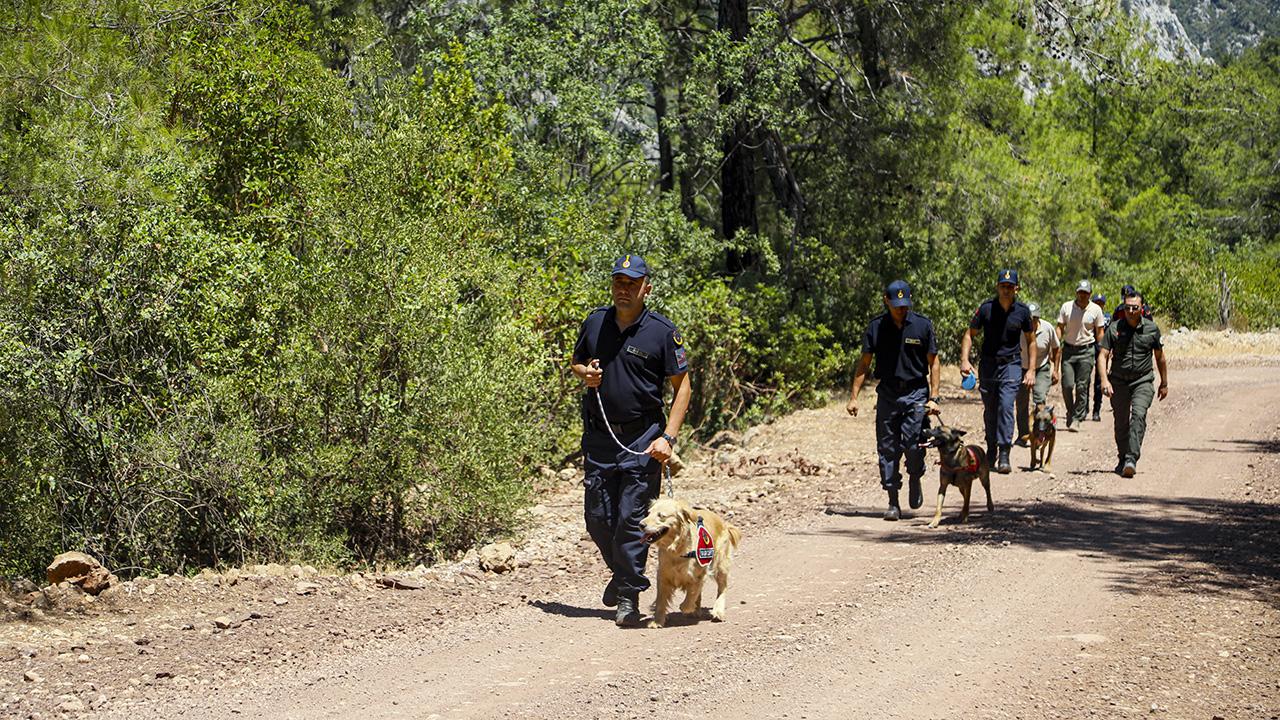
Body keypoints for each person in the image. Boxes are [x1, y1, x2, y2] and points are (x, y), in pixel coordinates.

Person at [570, 254, 691, 626]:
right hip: (600, 437)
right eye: (619, 282)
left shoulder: (662, 332)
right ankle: (623, 574)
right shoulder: (595, 322)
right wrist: (585, 374)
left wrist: (668, 438)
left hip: (644, 439)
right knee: (596, 518)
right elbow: (576, 362)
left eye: (632, 284)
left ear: (646, 288)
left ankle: (628, 596)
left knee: (632, 519)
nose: (624, 289)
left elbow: (683, 387)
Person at [846, 280, 941, 521]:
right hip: (888, 393)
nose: (901, 309)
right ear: (886, 301)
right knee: (887, 449)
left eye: (905, 305)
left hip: (916, 393)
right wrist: (854, 396)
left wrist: (934, 398)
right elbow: (864, 363)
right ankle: (893, 501)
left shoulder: (922, 325)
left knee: (913, 444)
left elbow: (934, 362)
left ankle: (915, 475)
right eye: (897, 305)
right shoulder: (876, 327)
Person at [959, 269, 1036, 475]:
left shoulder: (1022, 311)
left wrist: (1031, 370)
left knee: (1006, 406)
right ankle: (991, 448)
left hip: (1011, 365)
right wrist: (965, 360)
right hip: (988, 365)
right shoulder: (986, 309)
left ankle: (1004, 453)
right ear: (997, 287)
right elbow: (969, 334)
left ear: (1016, 289)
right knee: (991, 409)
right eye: (1003, 286)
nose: (1006, 290)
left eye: (1010, 287)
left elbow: (1031, 341)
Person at [1099, 292, 1168, 477]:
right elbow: (1103, 355)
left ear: (1142, 309)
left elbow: (1160, 358)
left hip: (1142, 380)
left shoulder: (1152, 329)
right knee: (1121, 422)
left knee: (1138, 415)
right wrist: (1104, 380)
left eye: (1134, 308)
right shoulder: (1114, 329)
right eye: (1127, 307)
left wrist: (1164, 383)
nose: (1130, 311)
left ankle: (1131, 458)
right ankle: (1122, 458)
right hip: (1118, 381)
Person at [1056, 280, 1106, 431]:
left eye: (1085, 293)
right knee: (1067, 385)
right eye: (1080, 292)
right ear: (1076, 293)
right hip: (1069, 351)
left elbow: (1100, 332)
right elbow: (1060, 327)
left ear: (1090, 294)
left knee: (1082, 386)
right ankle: (1070, 412)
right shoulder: (1067, 307)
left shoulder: (1096, 310)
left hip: (1086, 351)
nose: (1082, 295)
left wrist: (1103, 350)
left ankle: (1077, 418)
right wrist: (1055, 344)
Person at [1016, 302, 1060, 446]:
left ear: (1039, 318)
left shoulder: (1047, 328)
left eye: (1034, 318)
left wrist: (1055, 370)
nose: (1032, 321)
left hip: (1041, 367)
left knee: (1040, 399)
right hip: (1022, 367)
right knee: (1021, 402)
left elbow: (1056, 348)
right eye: (1029, 318)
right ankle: (1023, 435)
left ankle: (1041, 433)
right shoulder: (1018, 329)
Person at [1090, 293, 1109, 421]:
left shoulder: (1107, 318)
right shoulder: (1087, 315)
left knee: (1099, 379)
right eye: (1096, 302)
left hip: (1102, 348)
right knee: (1084, 378)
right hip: (1088, 346)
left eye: (1101, 303)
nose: (1099, 305)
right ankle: (1083, 406)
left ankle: (1096, 409)